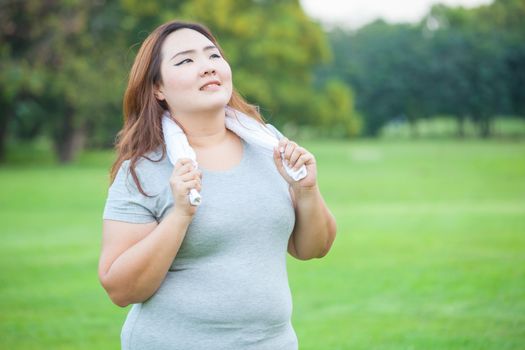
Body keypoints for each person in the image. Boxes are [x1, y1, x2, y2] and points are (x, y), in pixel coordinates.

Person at [98, 19, 337, 350]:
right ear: (158, 88)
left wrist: (307, 190)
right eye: (186, 60)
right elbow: (120, 289)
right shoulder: (142, 169)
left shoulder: (269, 145)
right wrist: (180, 215)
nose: (206, 67)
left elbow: (313, 248)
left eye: (213, 56)